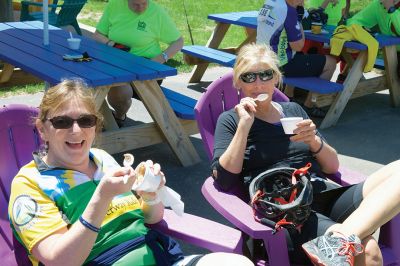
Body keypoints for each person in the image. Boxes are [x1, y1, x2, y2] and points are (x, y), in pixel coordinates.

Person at [7, 79, 253, 266]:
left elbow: (152, 219)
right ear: (42, 129)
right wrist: (101, 198)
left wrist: (151, 194)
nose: (76, 131)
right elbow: (59, 260)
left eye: (85, 121)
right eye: (62, 122)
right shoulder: (31, 184)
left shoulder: (102, 160)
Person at [211, 43, 400, 265]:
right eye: (249, 76)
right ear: (238, 82)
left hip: (322, 192)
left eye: (265, 74)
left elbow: (332, 167)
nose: (259, 83)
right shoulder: (231, 120)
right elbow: (224, 179)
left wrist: (313, 140)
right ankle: (340, 240)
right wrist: (244, 125)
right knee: (367, 251)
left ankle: (339, 239)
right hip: (290, 209)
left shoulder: (293, 110)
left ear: (276, 78)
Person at [93, 0, 184, 127]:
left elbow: (178, 41)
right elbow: (98, 34)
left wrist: (161, 58)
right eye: (135, 4)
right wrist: (111, 44)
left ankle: (118, 117)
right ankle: (105, 116)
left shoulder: (156, 12)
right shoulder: (114, 5)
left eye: (144, 3)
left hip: (146, 68)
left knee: (119, 91)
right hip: (116, 63)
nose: (140, 8)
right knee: (95, 82)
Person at [256, 0, 337, 118]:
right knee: (331, 62)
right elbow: (298, 46)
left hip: (262, 57)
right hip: (279, 64)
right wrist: (298, 22)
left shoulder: (270, 2)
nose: (303, 1)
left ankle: (288, 98)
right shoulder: (289, 11)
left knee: (301, 57)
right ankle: (309, 106)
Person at [346, 0, 400, 77]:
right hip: (393, 53)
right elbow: (353, 21)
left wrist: (391, 9)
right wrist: (361, 29)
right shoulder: (378, 5)